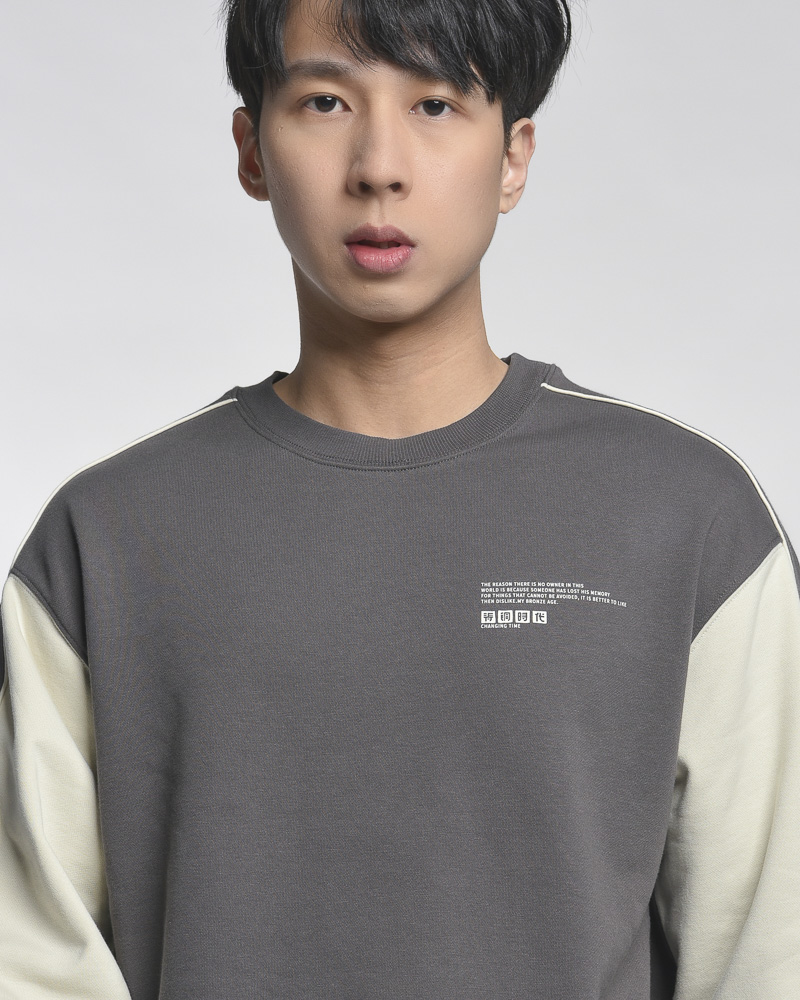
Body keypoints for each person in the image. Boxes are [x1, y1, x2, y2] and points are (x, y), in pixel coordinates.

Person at [1, 0, 797, 998]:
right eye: (325, 102)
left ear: (512, 158)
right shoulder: (106, 539)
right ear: (251, 150)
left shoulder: (689, 520)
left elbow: (769, 951)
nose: (379, 166)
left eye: (435, 103)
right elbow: (30, 961)